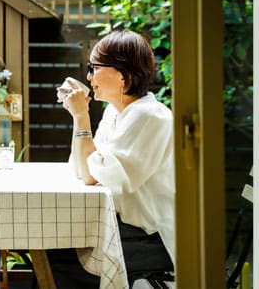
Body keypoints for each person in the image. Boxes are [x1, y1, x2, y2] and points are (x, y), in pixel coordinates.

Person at [58, 30, 175, 289]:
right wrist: (79, 116)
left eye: (94, 68)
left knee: (56, 249)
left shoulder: (150, 118)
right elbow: (81, 168)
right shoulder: (115, 113)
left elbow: (91, 175)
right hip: (126, 228)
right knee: (53, 242)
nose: (88, 77)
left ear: (124, 75)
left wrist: (81, 116)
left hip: (152, 240)